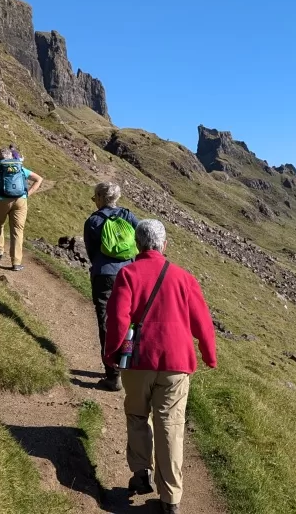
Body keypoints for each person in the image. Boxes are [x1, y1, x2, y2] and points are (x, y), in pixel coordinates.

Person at [103, 220, 217, 514]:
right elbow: (202, 322)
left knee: (138, 415)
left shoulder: (127, 274)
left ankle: (141, 474)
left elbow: (117, 319)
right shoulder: (183, 277)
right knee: (170, 426)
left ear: (138, 245)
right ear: (164, 245)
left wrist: (112, 354)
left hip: (138, 360)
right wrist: (208, 353)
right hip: (176, 363)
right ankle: (171, 499)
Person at [83, 182, 140, 391]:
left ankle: (112, 374)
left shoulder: (93, 221)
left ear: (99, 197)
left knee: (106, 323)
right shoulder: (128, 216)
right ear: (116, 197)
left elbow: (90, 252)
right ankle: (128, 364)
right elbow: (142, 240)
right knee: (129, 321)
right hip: (129, 275)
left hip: (103, 275)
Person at [0, 147, 43, 271]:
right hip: (20, 200)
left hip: (0, 200)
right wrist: (27, 194)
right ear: (11, 156)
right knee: (17, 230)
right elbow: (39, 179)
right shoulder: (19, 166)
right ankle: (16, 262)